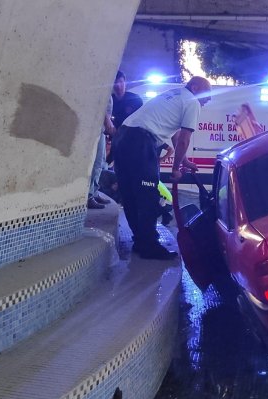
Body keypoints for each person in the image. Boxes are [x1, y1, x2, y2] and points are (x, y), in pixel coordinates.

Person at [113, 76, 212, 260]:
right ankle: (150, 246)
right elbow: (184, 139)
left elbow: (175, 136)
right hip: (140, 141)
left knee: (131, 195)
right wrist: (175, 169)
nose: (209, 98)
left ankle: (141, 242)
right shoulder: (192, 102)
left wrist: (184, 162)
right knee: (147, 195)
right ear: (195, 87)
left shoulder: (174, 95)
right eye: (207, 92)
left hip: (123, 136)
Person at [106, 70, 143, 167]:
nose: (118, 85)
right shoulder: (109, 100)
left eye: (121, 82)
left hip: (130, 140)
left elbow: (140, 121)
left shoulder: (135, 100)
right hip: (112, 140)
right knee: (105, 163)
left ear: (125, 82)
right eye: (115, 82)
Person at [88, 94, 115, 209]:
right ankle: (89, 196)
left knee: (99, 163)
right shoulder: (103, 88)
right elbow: (100, 105)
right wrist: (107, 121)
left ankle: (94, 192)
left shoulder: (109, 93)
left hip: (101, 132)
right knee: (95, 164)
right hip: (95, 131)